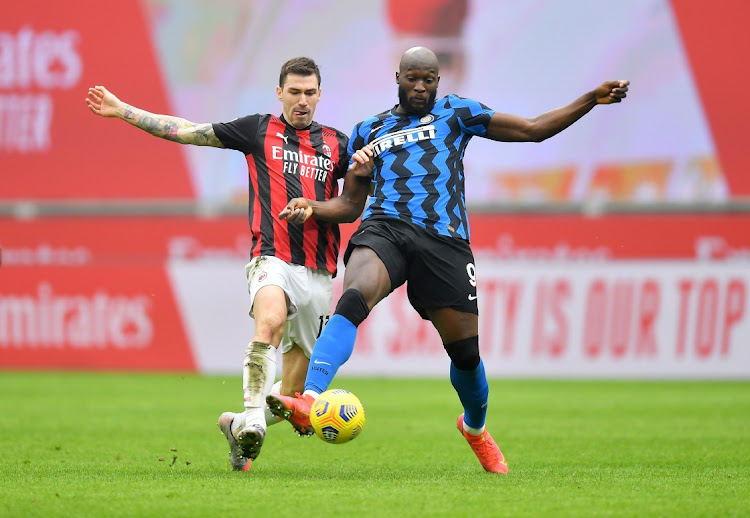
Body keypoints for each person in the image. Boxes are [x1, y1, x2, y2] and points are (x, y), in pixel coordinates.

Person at [267, 46, 629, 474]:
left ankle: (475, 428)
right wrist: (313, 205)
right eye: (412, 79)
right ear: (397, 77)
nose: (420, 87)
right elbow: (349, 205)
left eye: (429, 80)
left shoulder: (457, 113)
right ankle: (310, 400)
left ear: (438, 82)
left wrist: (590, 98)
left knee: (466, 355)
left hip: (445, 241)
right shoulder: (368, 130)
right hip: (386, 227)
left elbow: (533, 129)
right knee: (353, 297)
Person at [85, 57, 367, 472]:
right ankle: (253, 421)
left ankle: (236, 426)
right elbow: (187, 131)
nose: (302, 101)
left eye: (309, 93)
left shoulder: (338, 144)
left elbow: (349, 206)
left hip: (319, 273)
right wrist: (122, 109)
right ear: (279, 92)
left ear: (320, 95)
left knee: (291, 392)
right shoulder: (257, 129)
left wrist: (352, 182)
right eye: (294, 92)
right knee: (268, 321)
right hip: (271, 257)